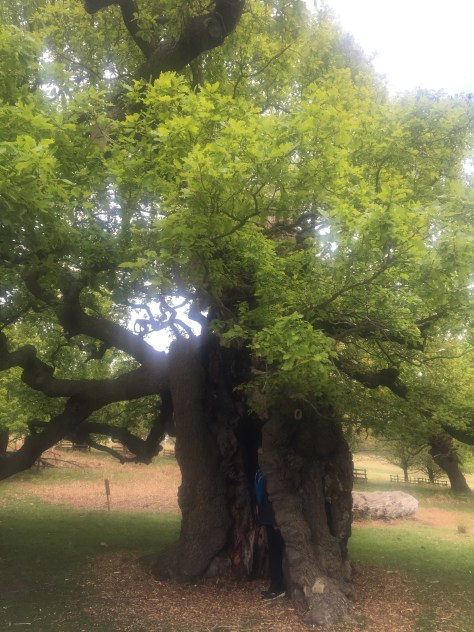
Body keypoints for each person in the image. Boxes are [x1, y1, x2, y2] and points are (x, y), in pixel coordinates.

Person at [254, 447, 285, 600]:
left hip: (275, 519)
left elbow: (277, 498)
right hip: (267, 517)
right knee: (273, 552)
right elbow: (259, 495)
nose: (260, 458)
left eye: (262, 455)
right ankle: (276, 584)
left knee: (277, 552)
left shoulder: (274, 474)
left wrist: (276, 520)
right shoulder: (262, 473)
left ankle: (278, 586)